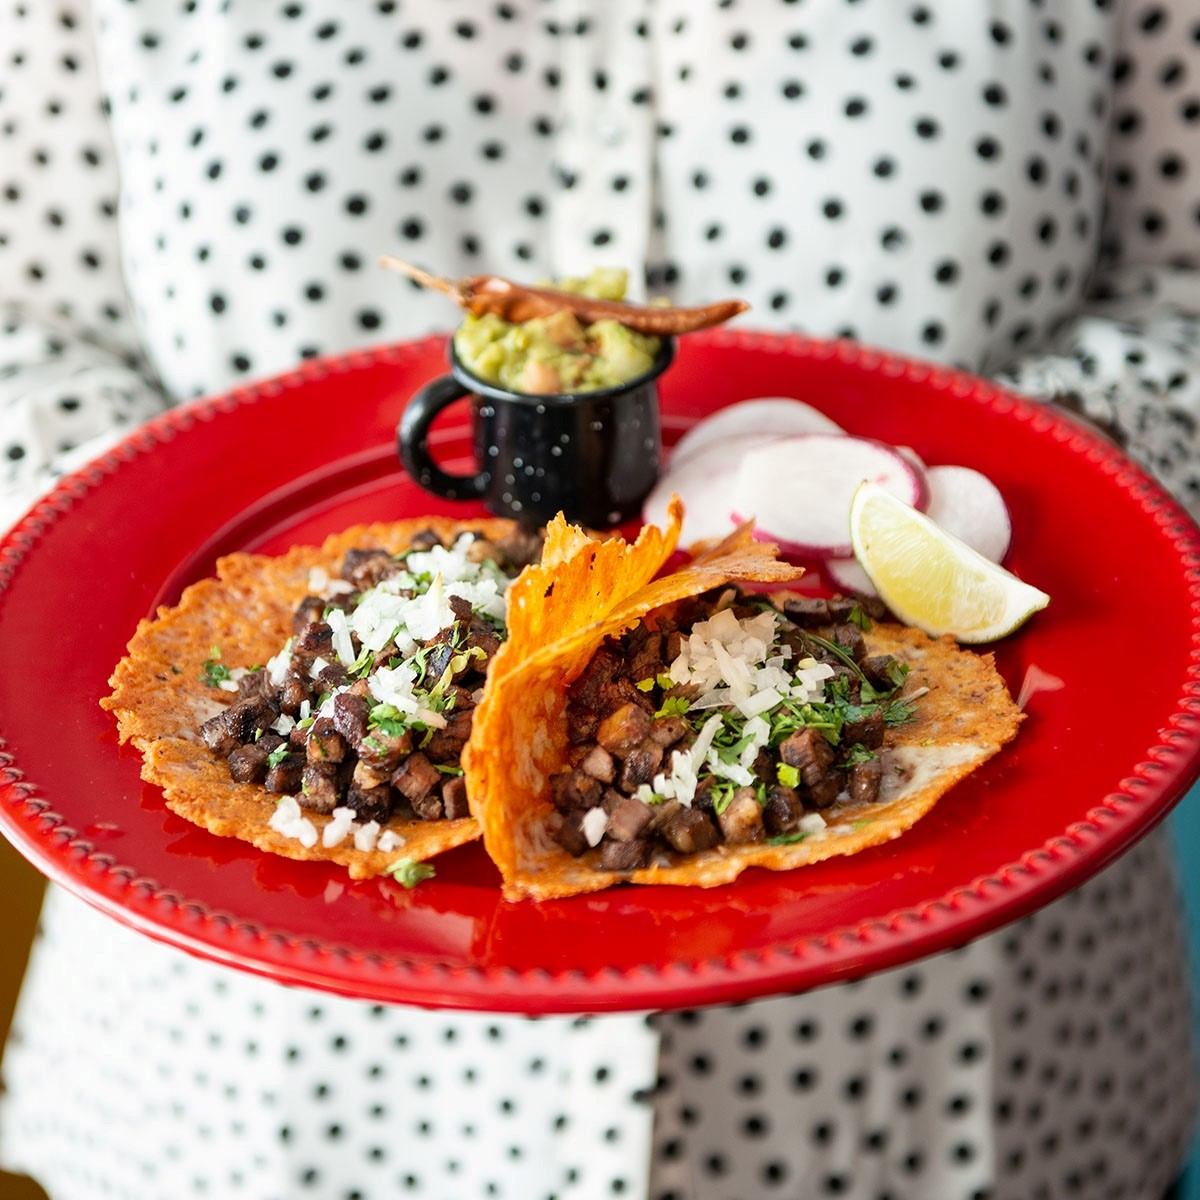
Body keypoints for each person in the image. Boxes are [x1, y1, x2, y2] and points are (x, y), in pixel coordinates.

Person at [1, 3, 1197, 1198]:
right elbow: (23, 331)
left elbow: (1180, 294)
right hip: (267, 1083)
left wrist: (1002, 498)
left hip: (941, 1060)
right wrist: (125, 521)